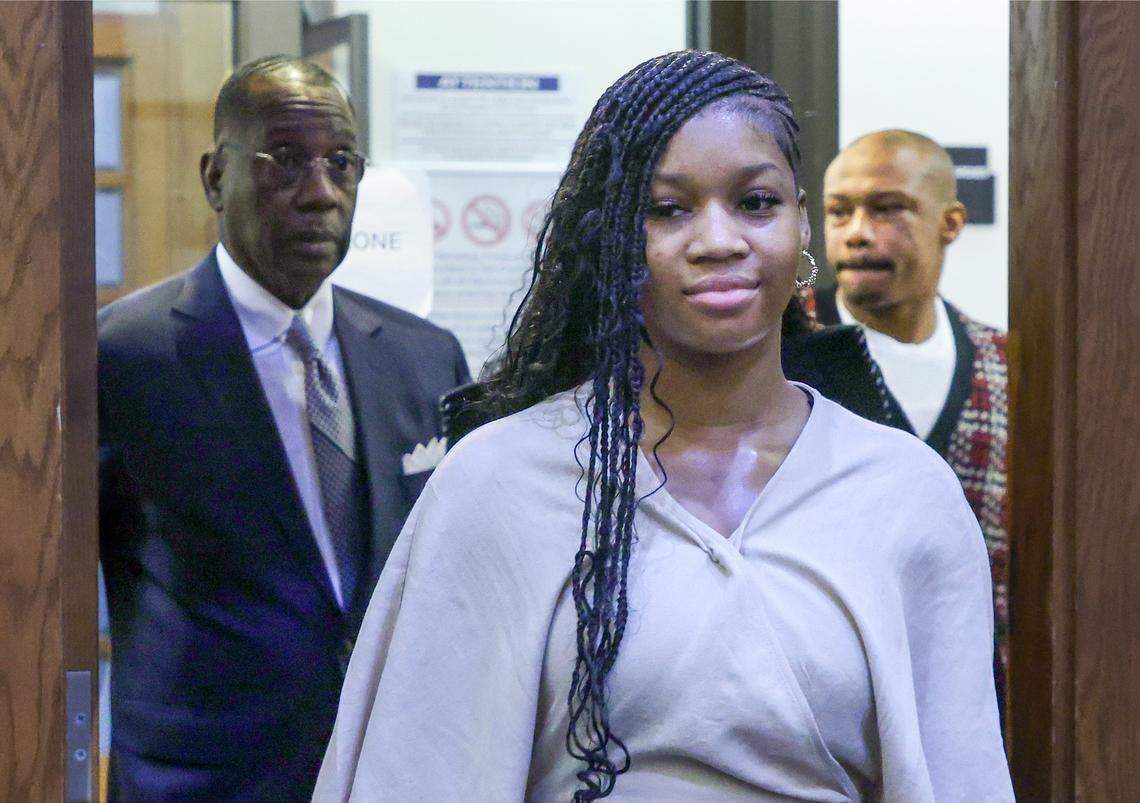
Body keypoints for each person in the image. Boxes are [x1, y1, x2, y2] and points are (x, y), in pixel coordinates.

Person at [314, 51, 1012, 801]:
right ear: (610, 238)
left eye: (757, 202)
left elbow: (963, 776)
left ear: (801, 221)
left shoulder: (904, 493)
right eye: (667, 209)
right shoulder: (500, 481)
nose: (718, 240)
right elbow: (419, 772)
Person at [98, 56, 469, 800]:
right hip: (202, 784)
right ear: (215, 179)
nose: (321, 193)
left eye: (342, 164)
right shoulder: (123, 358)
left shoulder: (426, 359)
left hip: (388, 775)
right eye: (287, 160)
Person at [810, 129, 1009, 718]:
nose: (857, 232)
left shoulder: (1004, 365)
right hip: (818, 700)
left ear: (950, 223)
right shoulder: (778, 352)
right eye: (839, 211)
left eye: (887, 209)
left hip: (974, 700)